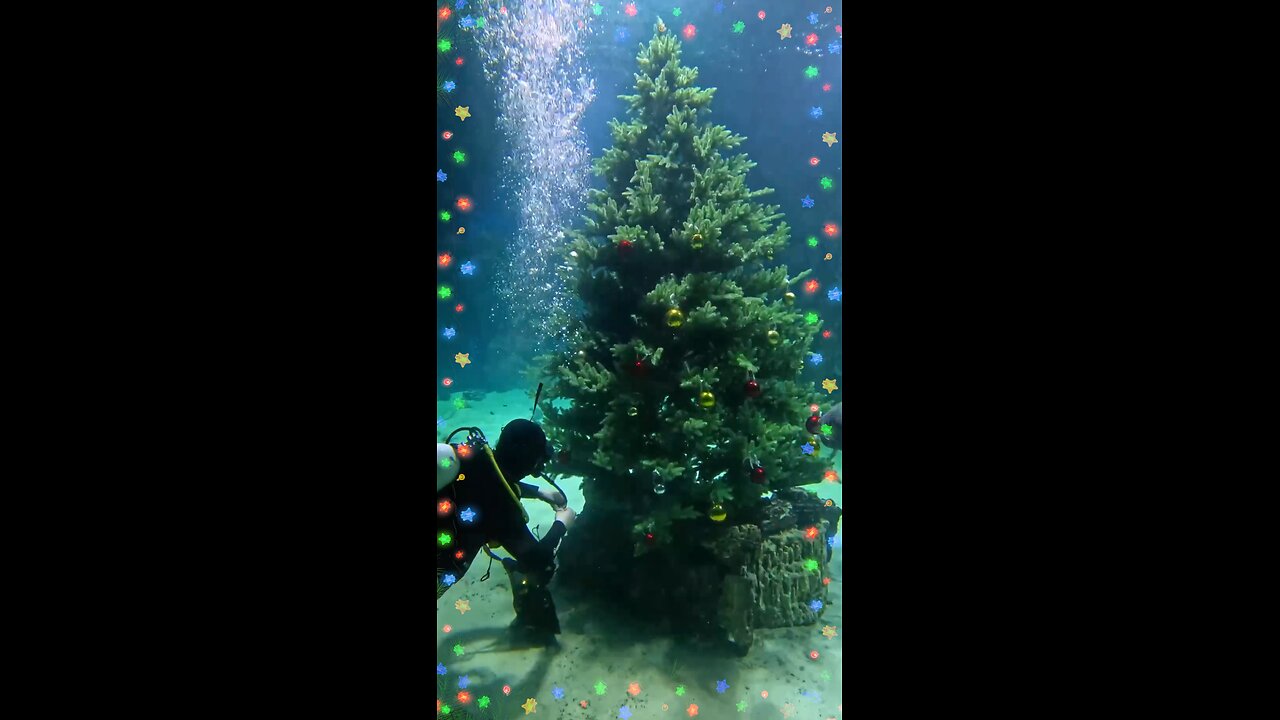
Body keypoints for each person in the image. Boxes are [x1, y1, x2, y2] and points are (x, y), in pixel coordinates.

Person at [436, 418, 576, 647]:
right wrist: (562, 523)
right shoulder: (503, 511)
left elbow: (488, 481)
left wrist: (541, 492)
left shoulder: (469, 458)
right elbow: (537, 560)